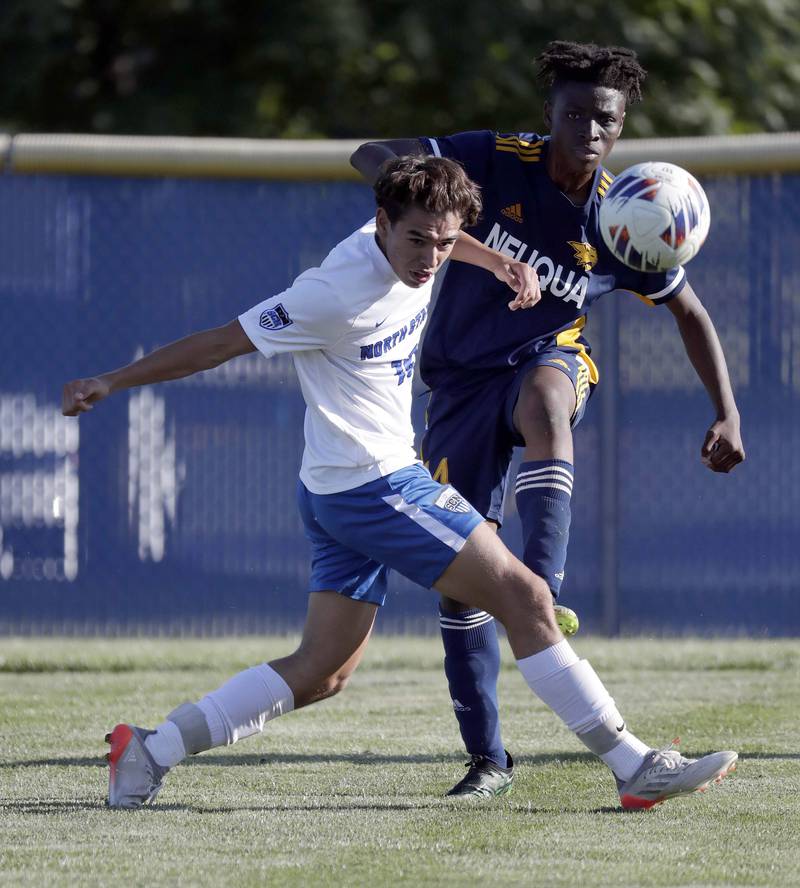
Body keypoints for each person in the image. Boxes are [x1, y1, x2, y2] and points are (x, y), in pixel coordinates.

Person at [63, 155, 737, 812]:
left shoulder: (430, 240)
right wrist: (112, 381)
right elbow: (219, 343)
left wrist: (497, 260)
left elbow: (445, 227)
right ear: (379, 223)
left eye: (445, 243)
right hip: (375, 487)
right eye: (416, 239)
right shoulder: (331, 293)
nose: (430, 257)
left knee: (323, 670)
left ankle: (151, 749)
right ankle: (634, 765)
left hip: (333, 488)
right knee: (525, 595)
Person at [350, 40, 745, 799]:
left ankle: (544, 582)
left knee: (548, 399)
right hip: (459, 383)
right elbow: (373, 157)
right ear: (549, 115)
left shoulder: (628, 215)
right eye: (576, 115)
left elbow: (689, 312)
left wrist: (726, 412)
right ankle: (488, 760)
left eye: (606, 119)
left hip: (546, 358)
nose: (590, 131)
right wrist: (458, 234)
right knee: (460, 591)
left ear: (621, 126)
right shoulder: (491, 161)